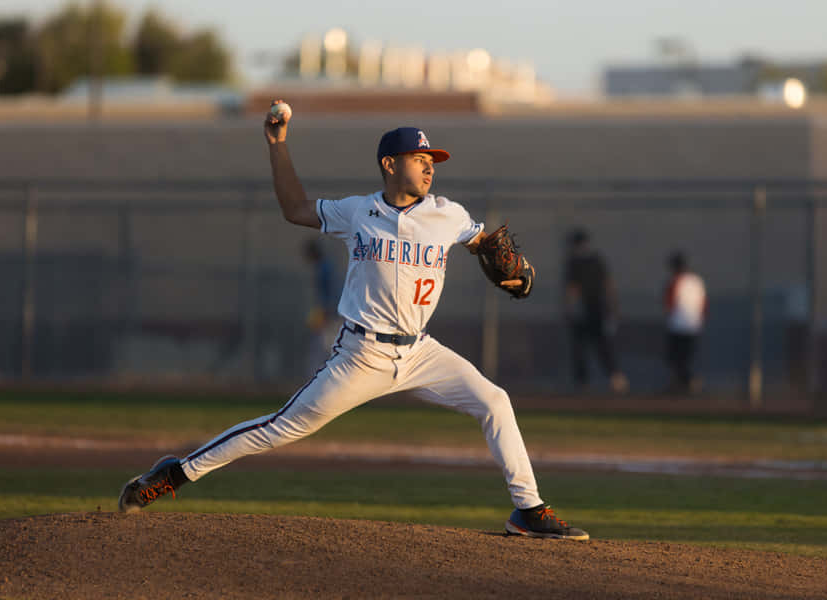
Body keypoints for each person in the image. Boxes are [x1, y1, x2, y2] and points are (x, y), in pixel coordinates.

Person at [117, 101, 589, 541]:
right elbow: (295, 210)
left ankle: (527, 510)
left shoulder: (448, 214)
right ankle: (175, 472)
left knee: (494, 400)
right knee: (281, 426)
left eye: (433, 160)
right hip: (362, 355)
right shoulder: (357, 211)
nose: (429, 165)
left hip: (422, 352)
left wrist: (516, 272)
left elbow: (489, 247)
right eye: (419, 156)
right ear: (389, 164)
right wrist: (277, 145)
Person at [563, 228, 628, 393]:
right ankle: (615, 378)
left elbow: (573, 288)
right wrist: (613, 307)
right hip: (599, 309)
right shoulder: (597, 260)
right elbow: (609, 284)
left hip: (585, 310)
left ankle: (583, 382)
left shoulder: (574, 262)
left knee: (581, 347)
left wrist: (569, 309)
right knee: (602, 345)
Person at [664, 251, 707, 394]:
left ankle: (688, 382)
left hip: (677, 326)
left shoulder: (676, 281)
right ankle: (682, 384)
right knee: (684, 358)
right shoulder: (697, 281)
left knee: (676, 358)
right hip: (693, 325)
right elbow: (703, 304)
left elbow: (669, 303)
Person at [302, 238, 340, 373]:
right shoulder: (324, 266)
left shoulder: (324, 267)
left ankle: (319, 378)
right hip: (328, 313)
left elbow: (330, 294)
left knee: (325, 348)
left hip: (329, 314)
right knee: (324, 348)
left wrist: (325, 314)